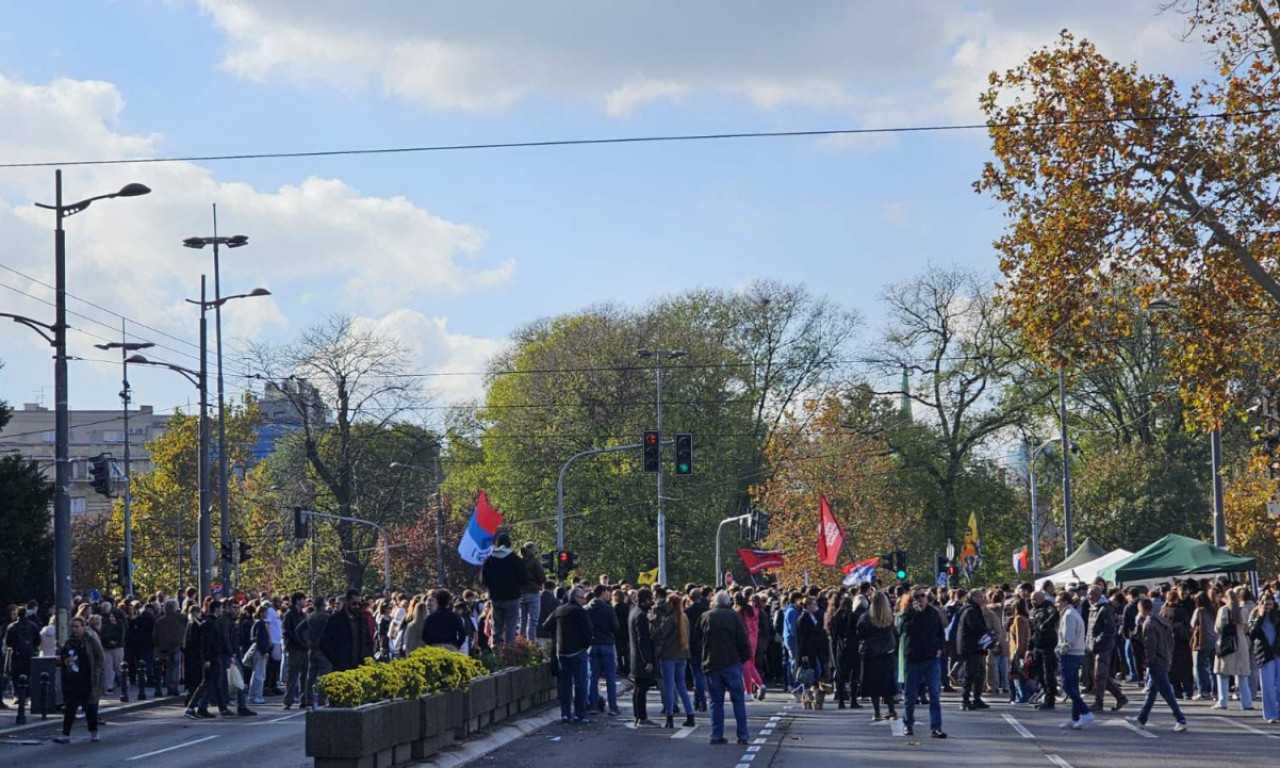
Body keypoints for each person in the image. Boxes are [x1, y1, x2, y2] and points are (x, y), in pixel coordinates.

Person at [1127, 597, 1188, 732]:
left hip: (1156, 660)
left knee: (1166, 692)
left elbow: (1150, 644)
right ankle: (1142, 718)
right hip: (1165, 657)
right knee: (1151, 691)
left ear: (1141, 609)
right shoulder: (1161, 621)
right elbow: (1170, 640)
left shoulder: (1149, 623)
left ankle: (1180, 719)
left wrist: (1149, 659)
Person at [700, 590, 751, 746]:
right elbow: (743, 639)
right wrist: (743, 658)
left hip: (712, 664)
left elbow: (697, 639)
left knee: (716, 702)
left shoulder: (706, 617)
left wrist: (702, 661)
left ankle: (716, 735)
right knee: (738, 701)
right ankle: (742, 735)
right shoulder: (734, 617)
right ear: (727, 602)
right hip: (732, 662)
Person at [900, 589, 947, 739]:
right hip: (914, 658)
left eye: (923, 596)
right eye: (917, 596)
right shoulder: (908, 613)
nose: (921, 599)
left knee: (934, 693)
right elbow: (907, 630)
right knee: (910, 694)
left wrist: (940, 647)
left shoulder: (933, 613)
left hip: (931, 658)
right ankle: (908, 724)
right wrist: (916, 613)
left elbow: (940, 633)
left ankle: (936, 727)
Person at [52, 616, 105, 744]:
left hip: (87, 678)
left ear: (83, 627)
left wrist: (97, 674)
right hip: (72, 679)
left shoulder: (90, 641)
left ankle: (94, 732)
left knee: (90, 707)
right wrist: (61, 661)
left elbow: (99, 657)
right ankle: (65, 734)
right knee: (70, 707)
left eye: (77, 626)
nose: (75, 629)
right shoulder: (69, 642)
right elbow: (64, 657)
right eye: (73, 627)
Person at [544, 587, 592, 724]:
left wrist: (558, 633)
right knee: (580, 684)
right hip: (578, 652)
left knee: (564, 685)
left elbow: (546, 625)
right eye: (582, 597)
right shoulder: (580, 612)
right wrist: (585, 645)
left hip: (562, 652)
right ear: (576, 598)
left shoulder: (560, 610)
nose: (584, 600)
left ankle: (565, 714)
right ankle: (580, 714)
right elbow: (588, 631)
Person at [653, 593, 695, 728]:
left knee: (669, 686)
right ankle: (690, 714)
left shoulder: (671, 619)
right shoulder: (685, 618)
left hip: (669, 655)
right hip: (683, 654)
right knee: (681, 685)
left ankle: (669, 716)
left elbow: (660, 633)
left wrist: (656, 621)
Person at [856, 590, 898, 721]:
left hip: (871, 653)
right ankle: (891, 709)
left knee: (873, 684)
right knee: (887, 682)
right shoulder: (889, 616)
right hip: (887, 653)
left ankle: (877, 712)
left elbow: (859, 633)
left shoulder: (866, 617)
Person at [1085, 586, 1128, 712]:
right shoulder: (1094, 607)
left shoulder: (1104, 608)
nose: (1088, 597)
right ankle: (1120, 697)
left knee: (1099, 675)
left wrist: (1096, 642)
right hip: (1095, 646)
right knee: (1099, 675)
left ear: (1098, 595)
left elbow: (1109, 629)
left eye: (1091, 594)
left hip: (1103, 647)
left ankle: (1099, 703)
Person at [481, 531, 527, 646]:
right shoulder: (515, 559)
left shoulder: (490, 559)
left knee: (496, 626)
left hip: (496, 598)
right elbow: (524, 578)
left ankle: (496, 650)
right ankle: (509, 652)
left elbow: (483, 579)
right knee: (511, 627)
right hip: (512, 597)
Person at [1056, 591, 1093, 729]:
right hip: (1076, 653)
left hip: (1071, 654)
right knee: (1074, 686)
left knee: (1067, 686)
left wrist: (1060, 651)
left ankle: (1085, 712)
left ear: (1065, 602)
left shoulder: (1069, 615)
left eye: (1058, 601)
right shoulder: (1072, 613)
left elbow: (1068, 638)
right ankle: (1075, 717)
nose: (1056, 604)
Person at [1214, 586, 1253, 710]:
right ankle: (1247, 703)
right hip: (1241, 642)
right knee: (1242, 675)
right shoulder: (1244, 610)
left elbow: (1218, 627)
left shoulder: (1223, 610)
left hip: (1227, 642)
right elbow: (1247, 627)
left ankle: (1222, 701)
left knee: (1223, 673)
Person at [586, 584, 620, 716]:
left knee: (593, 677)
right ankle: (612, 707)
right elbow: (616, 627)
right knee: (610, 677)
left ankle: (593, 705)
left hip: (592, 644)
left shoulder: (587, 609)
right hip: (607, 643)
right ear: (603, 592)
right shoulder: (608, 609)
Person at [320, 590, 373, 672]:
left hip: (359, 666)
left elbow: (368, 641)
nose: (357, 606)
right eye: (354, 603)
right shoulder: (335, 620)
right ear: (347, 602)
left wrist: (367, 657)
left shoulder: (362, 620)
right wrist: (336, 660)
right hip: (341, 667)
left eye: (359, 604)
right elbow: (324, 642)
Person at [1247, 591, 1280, 724]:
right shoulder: (1255, 615)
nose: (1268, 606)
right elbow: (1252, 633)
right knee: (1267, 685)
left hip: (1277, 652)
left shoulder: (1277, 615)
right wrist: (1260, 617)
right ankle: (1271, 714)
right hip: (1264, 654)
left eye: (1270, 604)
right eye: (1265, 603)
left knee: (1279, 685)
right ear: (1261, 603)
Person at [956, 589, 990, 711]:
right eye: (980, 597)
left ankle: (977, 698)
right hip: (970, 646)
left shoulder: (974, 610)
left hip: (975, 646)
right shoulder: (970, 611)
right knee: (970, 673)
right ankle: (965, 699)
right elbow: (976, 628)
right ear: (974, 598)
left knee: (979, 672)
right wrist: (987, 634)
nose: (983, 599)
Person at [629, 588, 658, 726]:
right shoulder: (641, 615)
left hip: (635, 656)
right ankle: (642, 717)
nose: (652, 602)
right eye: (650, 599)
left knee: (638, 687)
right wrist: (648, 660)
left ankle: (638, 715)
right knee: (642, 687)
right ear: (646, 600)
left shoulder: (634, 612)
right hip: (641, 658)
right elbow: (643, 639)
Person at [300, 596, 332, 708]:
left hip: (312, 648)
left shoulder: (310, 616)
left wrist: (305, 641)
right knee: (324, 675)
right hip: (323, 649)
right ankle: (321, 698)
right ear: (323, 604)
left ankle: (308, 698)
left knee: (310, 676)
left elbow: (298, 629)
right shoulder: (327, 616)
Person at [1029, 590, 1059, 710]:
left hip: (1047, 645)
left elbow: (1055, 615)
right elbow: (1032, 630)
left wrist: (1045, 624)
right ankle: (1045, 694)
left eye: (1034, 599)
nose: (1032, 602)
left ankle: (1050, 699)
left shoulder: (1049, 607)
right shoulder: (1032, 611)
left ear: (1041, 598)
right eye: (1032, 600)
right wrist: (1029, 647)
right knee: (1039, 674)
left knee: (1048, 674)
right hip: (1037, 645)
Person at [829, 596, 860, 709]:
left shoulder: (835, 618)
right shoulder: (855, 617)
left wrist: (833, 650)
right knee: (854, 675)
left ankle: (841, 701)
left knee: (840, 675)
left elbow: (833, 636)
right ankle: (853, 700)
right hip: (854, 648)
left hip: (840, 648)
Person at [153, 599, 186, 697]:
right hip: (176, 646)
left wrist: (158, 646)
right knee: (175, 667)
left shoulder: (160, 621)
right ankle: (174, 687)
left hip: (164, 648)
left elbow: (155, 636)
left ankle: (169, 687)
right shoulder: (182, 618)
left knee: (168, 668)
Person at [736, 594, 765, 701]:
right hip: (754, 639)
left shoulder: (739, 612)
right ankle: (760, 684)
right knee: (751, 665)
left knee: (746, 667)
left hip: (744, 640)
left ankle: (748, 691)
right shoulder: (753, 611)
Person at [1190, 590, 1218, 701]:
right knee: (1212, 667)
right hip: (1214, 640)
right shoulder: (1213, 609)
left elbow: (1192, 623)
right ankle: (1215, 691)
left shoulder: (1199, 611)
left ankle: (1203, 691)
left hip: (1203, 641)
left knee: (1200, 666)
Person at [282, 592, 308, 709]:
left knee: (304, 675)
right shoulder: (289, 614)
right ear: (297, 600)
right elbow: (287, 630)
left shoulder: (303, 614)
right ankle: (288, 700)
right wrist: (298, 640)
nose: (305, 602)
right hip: (294, 648)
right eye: (303, 599)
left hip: (304, 648)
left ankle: (303, 699)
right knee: (292, 674)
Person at [685, 589, 710, 711]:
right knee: (703, 674)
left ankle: (700, 699)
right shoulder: (707, 611)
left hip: (692, 645)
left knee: (697, 674)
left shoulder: (687, 612)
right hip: (706, 644)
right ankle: (699, 699)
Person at [243, 604, 273, 704]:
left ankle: (254, 695)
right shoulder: (260, 624)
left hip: (257, 649)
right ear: (261, 613)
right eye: (265, 612)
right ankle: (256, 695)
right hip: (260, 651)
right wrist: (265, 651)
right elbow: (260, 638)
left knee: (257, 673)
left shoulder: (257, 623)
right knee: (259, 674)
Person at [519, 542, 547, 639]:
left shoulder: (519, 561)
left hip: (521, 593)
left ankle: (521, 643)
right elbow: (542, 577)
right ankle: (531, 643)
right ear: (531, 550)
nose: (536, 551)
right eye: (535, 549)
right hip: (533, 592)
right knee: (532, 621)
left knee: (523, 620)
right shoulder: (534, 562)